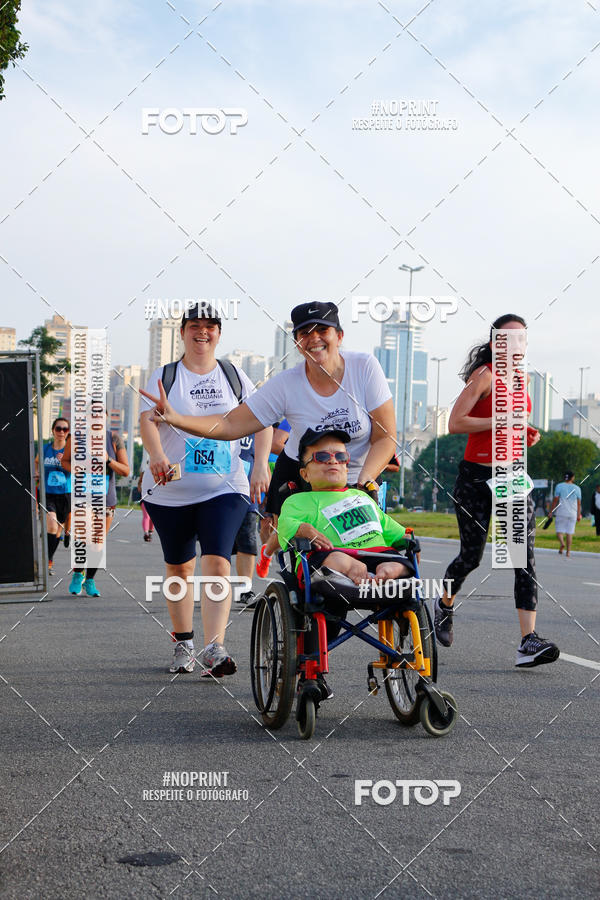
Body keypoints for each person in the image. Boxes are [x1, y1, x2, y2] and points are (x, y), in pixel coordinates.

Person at [141, 301, 397, 578]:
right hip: (304, 469)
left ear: (339, 336)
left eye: (322, 330)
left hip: (360, 471)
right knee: (301, 550)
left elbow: (385, 437)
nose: (314, 338)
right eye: (304, 333)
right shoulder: (287, 384)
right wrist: (176, 418)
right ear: (297, 342)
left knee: (368, 546)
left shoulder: (365, 367)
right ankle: (289, 582)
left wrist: (363, 484)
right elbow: (230, 423)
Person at [140, 303, 271, 677]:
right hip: (170, 491)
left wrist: (260, 464)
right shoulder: (165, 375)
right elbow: (148, 421)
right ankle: (184, 643)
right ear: (182, 332)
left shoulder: (233, 375)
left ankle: (215, 648)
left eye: (210, 326)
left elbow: (261, 419)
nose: (203, 332)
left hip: (225, 486)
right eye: (195, 325)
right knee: (180, 568)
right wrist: (157, 455)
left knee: (217, 562)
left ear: (218, 333)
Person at [434, 314, 559, 668]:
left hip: (511, 475)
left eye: (522, 339)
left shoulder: (523, 379)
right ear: (495, 343)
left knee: (523, 556)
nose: (516, 345)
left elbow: (512, 423)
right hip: (475, 477)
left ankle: (527, 642)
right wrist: (500, 421)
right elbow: (455, 422)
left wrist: (525, 433)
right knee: (471, 557)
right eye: (508, 339)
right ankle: (444, 604)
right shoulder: (484, 375)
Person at [278, 428, 411, 584]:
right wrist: (301, 529)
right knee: (334, 558)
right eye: (321, 456)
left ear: (347, 468)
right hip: (330, 555)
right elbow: (284, 525)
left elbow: (386, 525)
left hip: (376, 554)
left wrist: (406, 536)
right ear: (305, 474)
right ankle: (353, 568)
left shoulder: (361, 497)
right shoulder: (298, 500)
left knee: (400, 562)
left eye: (340, 456)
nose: (333, 461)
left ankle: (386, 572)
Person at [61, 418, 130, 596]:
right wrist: (77, 468)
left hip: (105, 498)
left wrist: (108, 460)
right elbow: (65, 462)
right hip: (83, 496)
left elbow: (125, 470)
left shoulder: (114, 439)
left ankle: (89, 580)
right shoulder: (76, 438)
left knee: (97, 545)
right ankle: (77, 575)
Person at [35, 417, 71, 574]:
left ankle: (49, 560)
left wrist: (65, 462)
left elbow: (77, 470)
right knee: (51, 525)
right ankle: (46, 561)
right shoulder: (45, 449)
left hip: (65, 494)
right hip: (48, 493)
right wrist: (37, 473)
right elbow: (36, 462)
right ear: (53, 431)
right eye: (58, 429)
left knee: (57, 532)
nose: (61, 432)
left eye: (65, 429)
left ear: (68, 432)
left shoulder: (70, 451)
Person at [550, 471, 582, 557]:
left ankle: (562, 543)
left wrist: (551, 511)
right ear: (572, 477)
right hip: (573, 513)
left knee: (559, 531)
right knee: (569, 533)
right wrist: (579, 514)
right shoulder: (577, 488)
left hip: (561, 512)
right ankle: (568, 552)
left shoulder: (559, 486)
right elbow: (579, 503)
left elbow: (555, 500)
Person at [137, 470, 154, 542]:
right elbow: (139, 488)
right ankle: (146, 533)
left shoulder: (155, 476)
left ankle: (150, 532)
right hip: (144, 500)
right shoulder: (143, 477)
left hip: (154, 500)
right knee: (147, 516)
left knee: (152, 517)